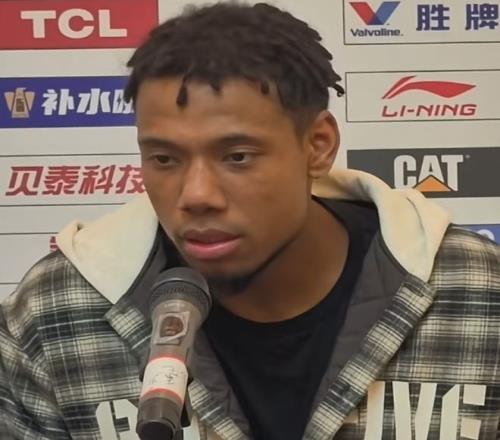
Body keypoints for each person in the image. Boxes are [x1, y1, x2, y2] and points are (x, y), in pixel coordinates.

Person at [1, 2, 499, 440]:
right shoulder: (53, 312)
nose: (196, 196)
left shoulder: (478, 290)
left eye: (237, 156)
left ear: (318, 145)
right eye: (164, 159)